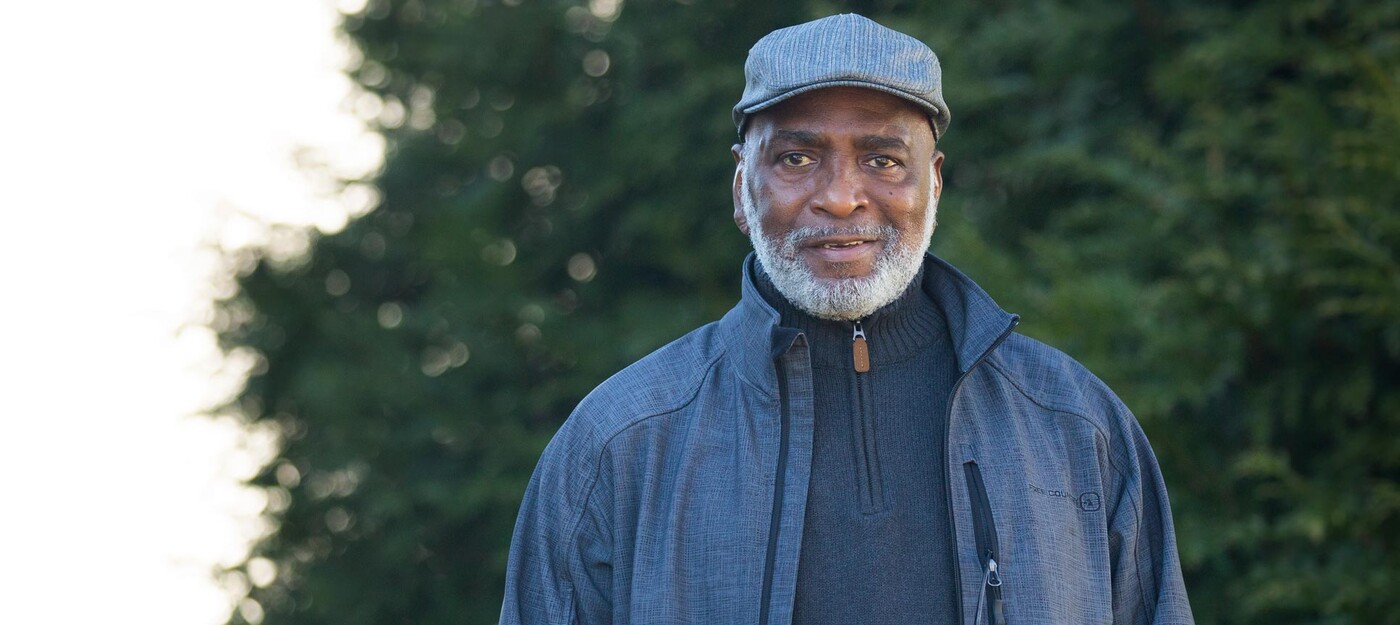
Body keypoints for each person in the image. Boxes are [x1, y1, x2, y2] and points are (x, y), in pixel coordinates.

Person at [501, 13, 1193, 625]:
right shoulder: (619, 444)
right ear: (742, 187)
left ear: (935, 183)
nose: (840, 197)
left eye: (883, 159)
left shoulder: (1075, 426)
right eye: (797, 157)